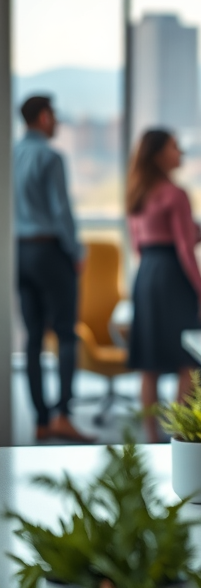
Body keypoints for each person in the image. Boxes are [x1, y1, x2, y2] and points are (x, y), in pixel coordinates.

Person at [14, 95, 92, 443]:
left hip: (20, 253)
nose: (57, 121)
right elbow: (61, 212)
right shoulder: (50, 156)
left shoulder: (11, 154)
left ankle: (40, 420)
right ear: (44, 117)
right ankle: (63, 415)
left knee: (32, 338)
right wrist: (76, 251)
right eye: (54, 115)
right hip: (50, 252)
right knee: (64, 335)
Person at [127, 129, 201, 443]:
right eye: (175, 147)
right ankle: (179, 436)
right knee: (186, 360)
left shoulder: (136, 193)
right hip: (173, 275)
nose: (180, 154)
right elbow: (186, 250)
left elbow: (138, 244)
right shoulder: (176, 194)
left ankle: (151, 439)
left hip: (146, 273)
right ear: (159, 154)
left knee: (149, 365)